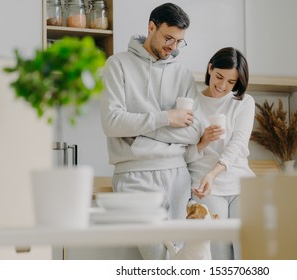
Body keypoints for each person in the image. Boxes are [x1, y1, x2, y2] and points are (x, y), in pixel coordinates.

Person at [99, 2, 201, 260]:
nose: (173, 47)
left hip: (178, 177)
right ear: (151, 27)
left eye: (179, 42)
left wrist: (138, 128)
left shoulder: (182, 73)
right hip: (135, 176)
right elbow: (112, 123)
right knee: (158, 261)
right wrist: (167, 118)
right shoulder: (117, 64)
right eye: (169, 38)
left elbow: (193, 132)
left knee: (182, 261)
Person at [186, 47, 256, 260]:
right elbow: (182, 154)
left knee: (249, 251)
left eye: (231, 82)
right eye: (219, 77)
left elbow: (237, 145)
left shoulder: (243, 103)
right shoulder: (191, 103)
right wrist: (202, 142)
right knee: (219, 253)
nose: (223, 86)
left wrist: (213, 174)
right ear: (210, 68)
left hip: (241, 183)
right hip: (205, 188)